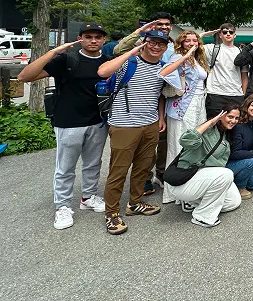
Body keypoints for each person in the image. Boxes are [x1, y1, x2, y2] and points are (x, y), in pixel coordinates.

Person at [17, 23, 111, 229]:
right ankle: (63, 206)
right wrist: (53, 52)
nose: (93, 40)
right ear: (80, 39)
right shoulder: (67, 59)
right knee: (65, 168)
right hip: (68, 122)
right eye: (88, 37)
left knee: (93, 163)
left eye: (98, 37)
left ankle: (88, 197)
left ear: (104, 40)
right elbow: (25, 76)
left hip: (98, 121)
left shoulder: (107, 61)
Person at [98, 31, 169, 235]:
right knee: (118, 170)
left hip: (150, 123)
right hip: (124, 124)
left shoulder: (163, 68)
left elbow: (161, 95)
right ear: (144, 44)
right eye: (152, 43)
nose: (156, 47)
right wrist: (133, 52)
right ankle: (111, 213)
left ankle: (135, 202)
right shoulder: (129, 63)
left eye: (161, 44)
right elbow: (103, 72)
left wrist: (161, 118)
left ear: (165, 48)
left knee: (144, 166)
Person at [171, 104, 242, 228]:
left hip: (203, 180)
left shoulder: (226, 135)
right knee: (226, 174)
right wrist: (210, 122)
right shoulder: (208, 131)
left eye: (236, 118)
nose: (233, 121)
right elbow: (185, 140)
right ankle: (202, 216)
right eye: (230, 117)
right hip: (185, 179)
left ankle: (192, 202)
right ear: (221, 115)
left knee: (234, 202)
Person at [159, 30, 209, 205]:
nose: (191, 43)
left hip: (199, 104)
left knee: (194, 145)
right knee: (178, 146)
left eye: (194, 40)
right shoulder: (176, 56)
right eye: (187, 40)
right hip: (182, 106)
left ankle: (190, 187)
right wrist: (185, 55)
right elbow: (164, 72)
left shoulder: (198, 58)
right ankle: (173, 192)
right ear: (181, 43)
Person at [203, 23, 247, 118]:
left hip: (236, 94)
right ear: (220, 34)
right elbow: (193, 44)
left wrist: (243, 94)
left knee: (235, 126)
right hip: (215, 94)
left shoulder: (241, 52)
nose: (228, 34)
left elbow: (244, 75)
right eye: (225, 32)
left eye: (231, 32)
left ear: (234, 35)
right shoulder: (212, 49)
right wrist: (205, 34)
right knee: (213, 125)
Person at [226, 95, 253, 199]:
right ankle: (239, 188)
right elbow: (234, 153)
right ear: (247, 105)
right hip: (231, 162)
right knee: (252, 162)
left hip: (244, 158)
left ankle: (232, 181)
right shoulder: (238, 125)